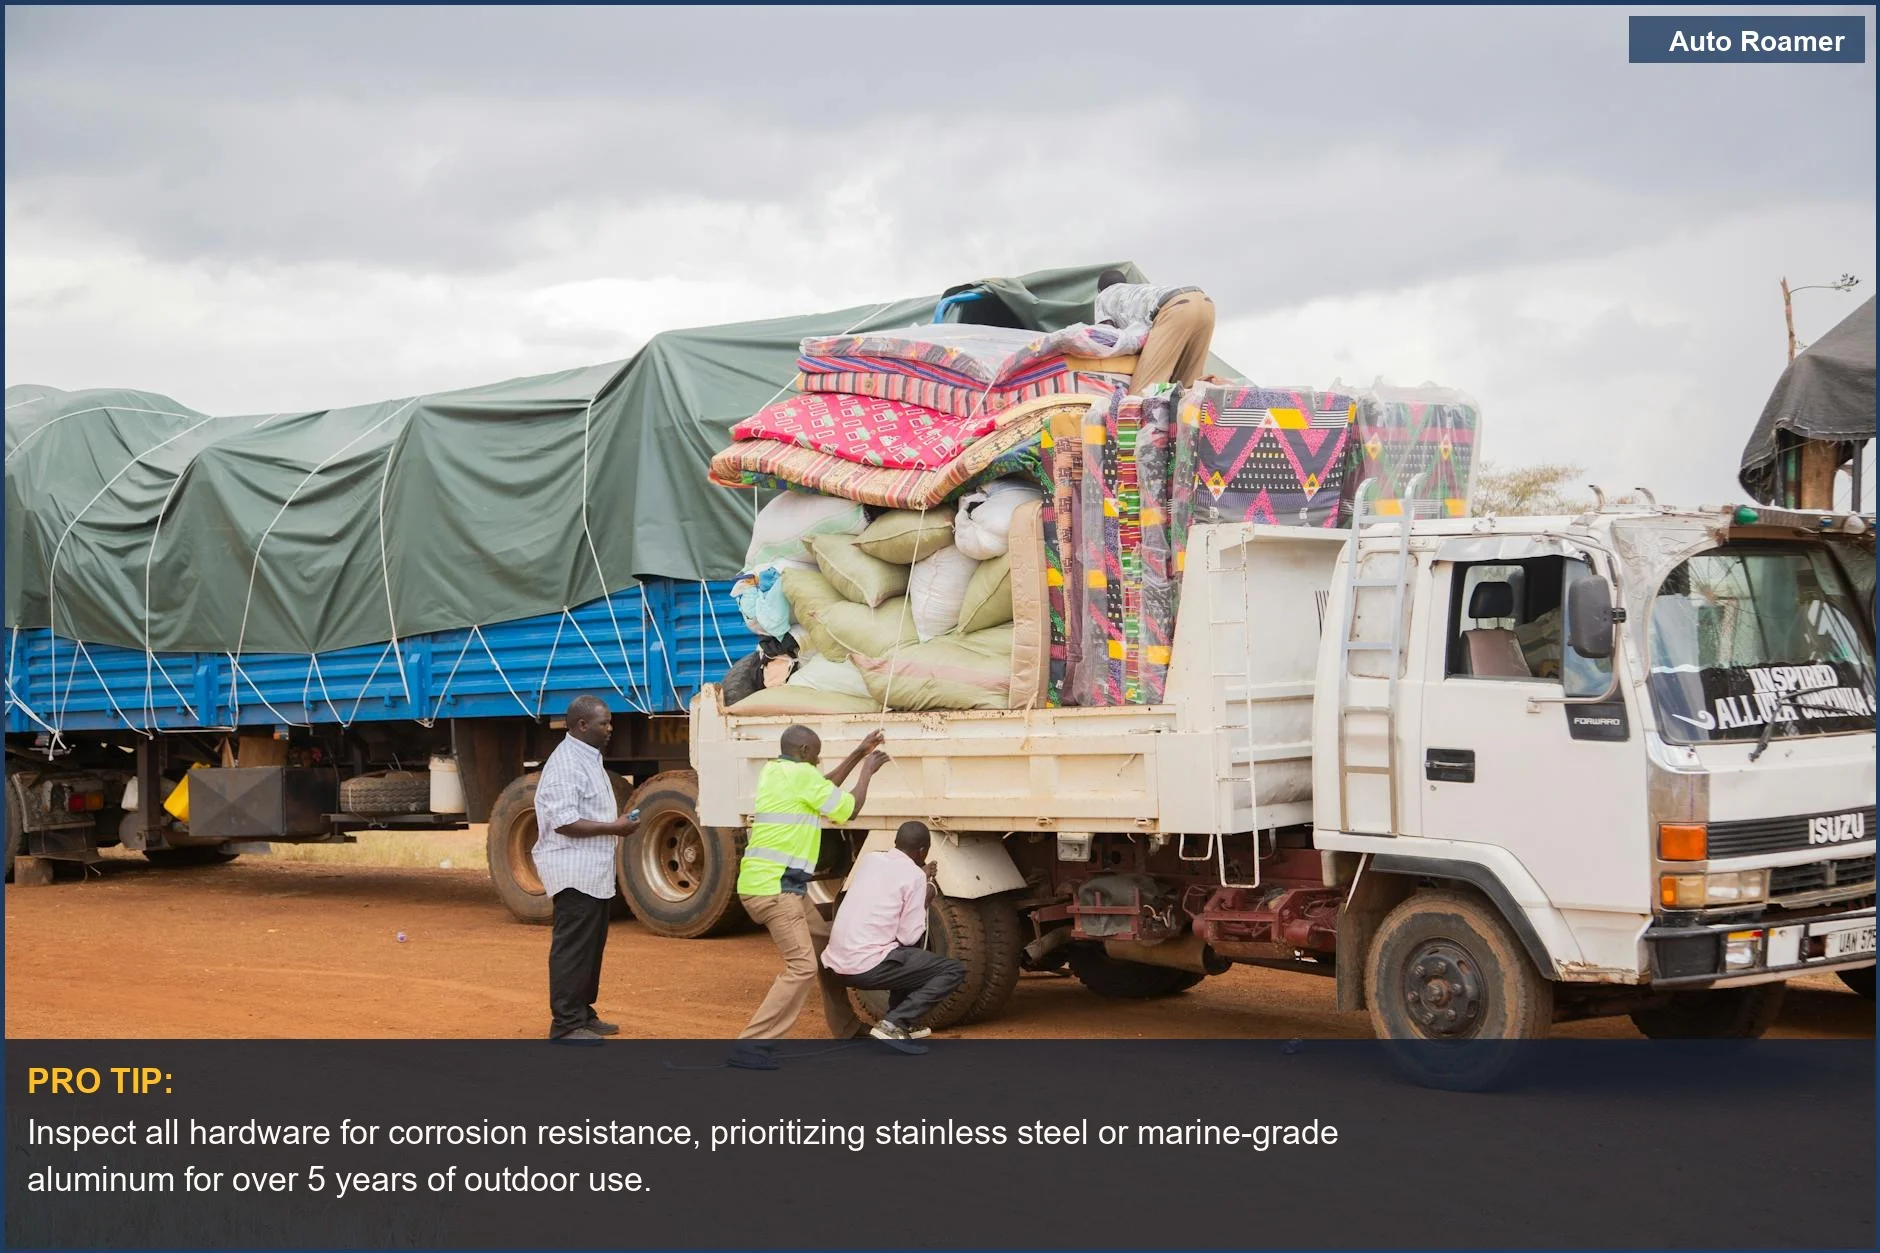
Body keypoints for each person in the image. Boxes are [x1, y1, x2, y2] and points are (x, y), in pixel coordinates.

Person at [729, 724, 891, 1069]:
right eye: (816, 753)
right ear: (804, 752)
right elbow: (849, 809)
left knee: (826, 951)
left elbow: (822, 786)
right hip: (776, 890)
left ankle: (846, 1028)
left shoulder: (777, 771)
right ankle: (751, 1046)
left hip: (778, 886)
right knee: (802, 966)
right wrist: (868, 771)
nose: (818, 760)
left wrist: (860, 751)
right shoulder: (802, 776)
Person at [533, 695, 640, 1043]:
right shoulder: (565, 763)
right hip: (572, 869)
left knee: (591, 946)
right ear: (581, 725)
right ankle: (564, 1023)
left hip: (592, 870)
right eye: (603, 723)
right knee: (574, 947)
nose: (610, 729)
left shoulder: (587, 758)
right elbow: (563, 821)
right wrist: (615, 827)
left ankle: (582, 1013)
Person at [821, 821, 965, 1048]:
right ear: (923, 851)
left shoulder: (870, 860)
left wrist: (918, 877)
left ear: (896, 843)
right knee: (952, 969)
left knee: (901, 954)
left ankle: (901, 1022)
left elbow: (892, 881)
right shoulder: (915, 877)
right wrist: (925, 895)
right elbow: (909, 937)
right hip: (863, 968)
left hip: (834, 966)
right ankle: (894, 1023)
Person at [1093, 268, 1217, 391]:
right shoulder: (1135, 291)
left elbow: (1106, 336)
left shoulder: (1103, 296)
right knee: (1187, 388)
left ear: (1099, 290)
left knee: (1145, 391)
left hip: (1173, 308)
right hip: (1204, 302)